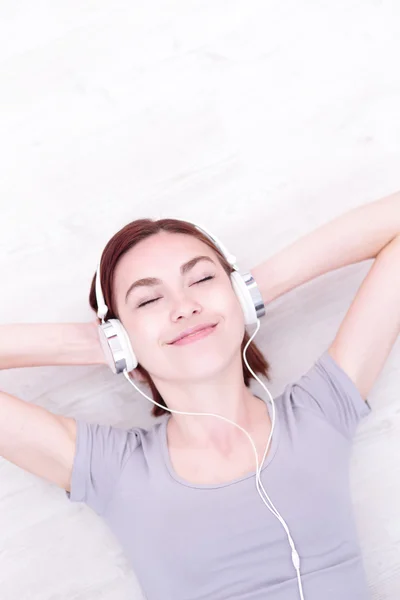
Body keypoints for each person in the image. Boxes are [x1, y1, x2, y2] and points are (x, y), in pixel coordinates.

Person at [0, 215, 384, 600]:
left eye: (201, 279)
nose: (184, 307)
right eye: (149, 299)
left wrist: (252, 291)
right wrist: (95, 344)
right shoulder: (114, 468)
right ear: (119, 338)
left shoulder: (320, 412)